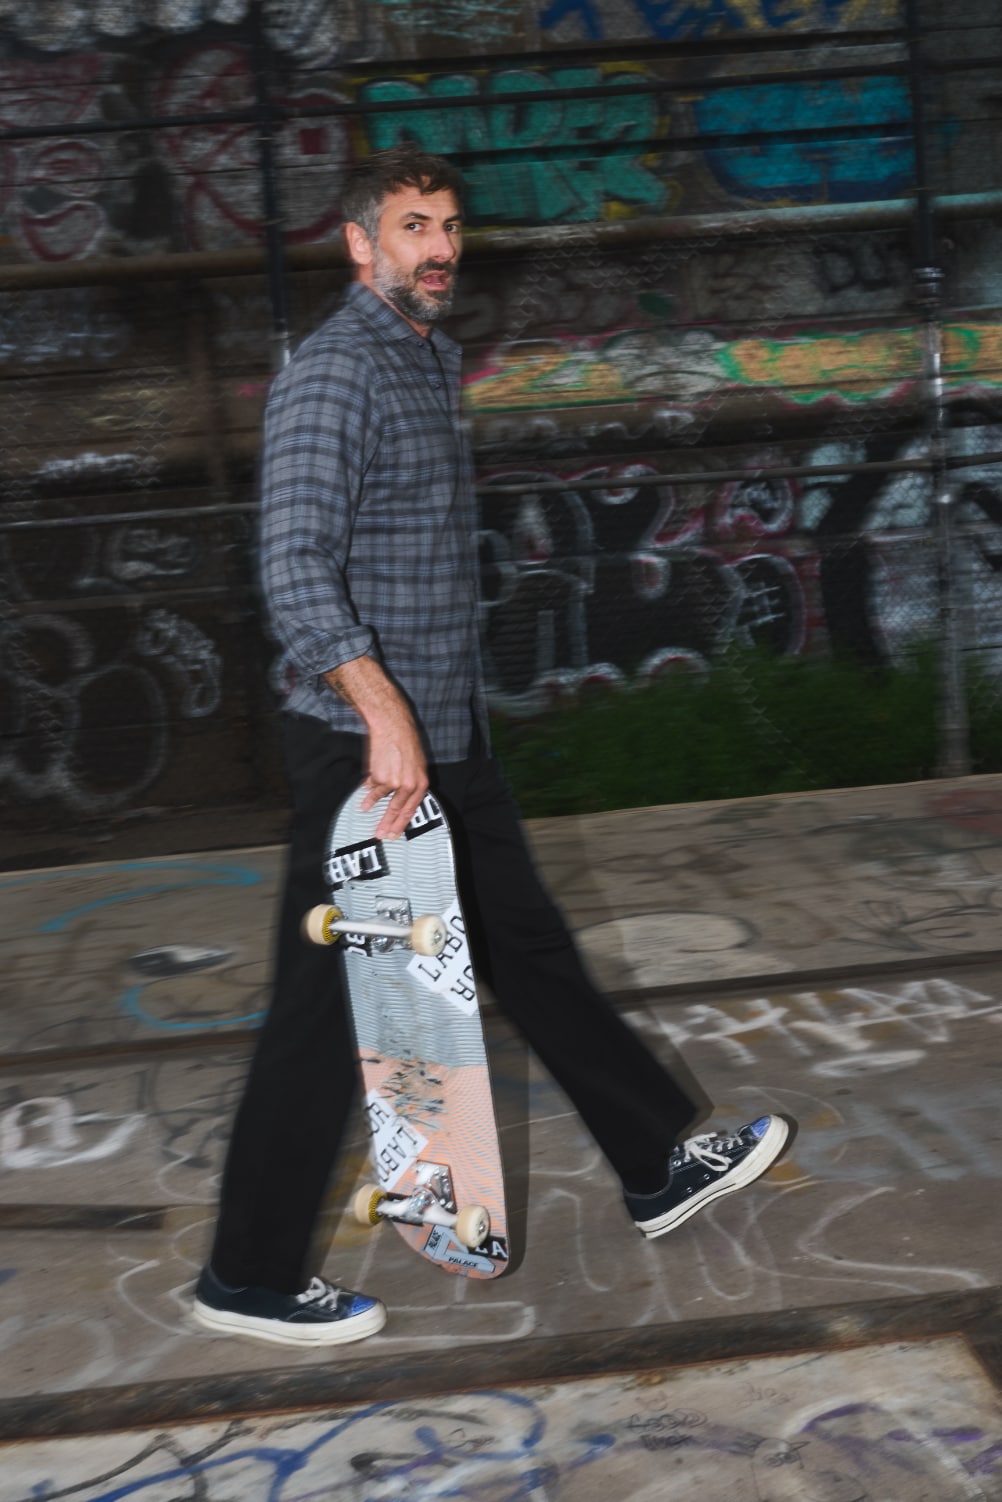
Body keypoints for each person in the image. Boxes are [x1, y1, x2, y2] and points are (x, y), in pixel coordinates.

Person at [193, 146, 790, 1348]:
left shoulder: (421, 357)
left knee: (526, 947)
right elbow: (293, 563)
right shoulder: (335, 374)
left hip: (437, 740)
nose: (440, 248)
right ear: (360, 242)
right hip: (363, 748)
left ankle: (658, 1161)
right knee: (321, 1010)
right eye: (414, 226)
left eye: (450, 225)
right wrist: (382, 710)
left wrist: (426, 719)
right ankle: (246, 1275)